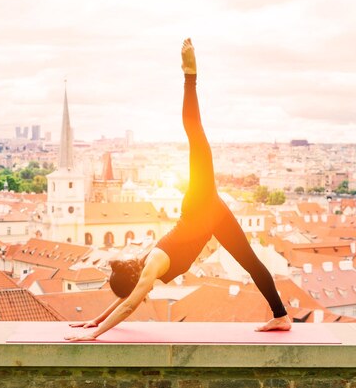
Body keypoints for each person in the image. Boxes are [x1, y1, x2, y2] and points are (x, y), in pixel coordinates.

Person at [65, 39, 291, 341]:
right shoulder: (148, 268)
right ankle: (281, 316)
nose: (139, 293)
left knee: (196, 135)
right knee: (249, 261)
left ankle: (190, 75)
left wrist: (94, 329)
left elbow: (129, 299)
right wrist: (94, 327)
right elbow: (129, 300)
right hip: (208, 211)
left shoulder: (149, 265)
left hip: (201, 207)